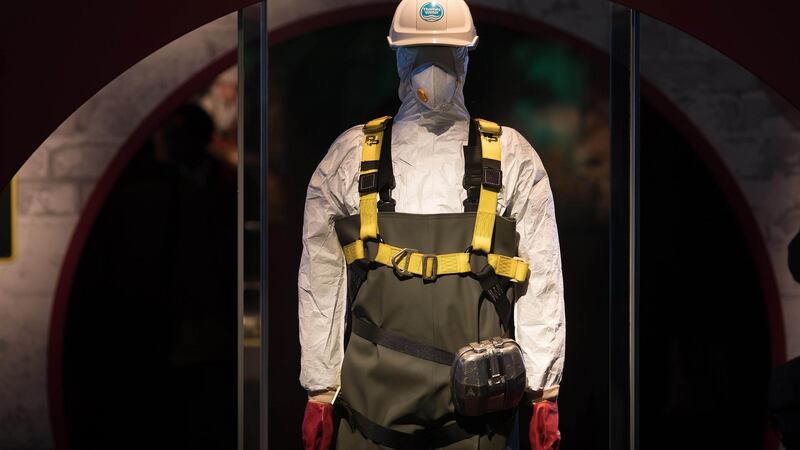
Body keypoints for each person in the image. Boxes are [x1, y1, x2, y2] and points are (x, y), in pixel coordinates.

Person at [298, 1, 565, 448]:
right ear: (399, 56)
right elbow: (320, 281)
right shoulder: (349, 157)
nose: (432, 68)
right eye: (420, 54)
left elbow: (541, 280)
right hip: (370, 411)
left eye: (446, 54)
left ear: (466, 57)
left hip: (479, 409)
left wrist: (544, 389)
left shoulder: (513, 158)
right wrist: (319, 389)